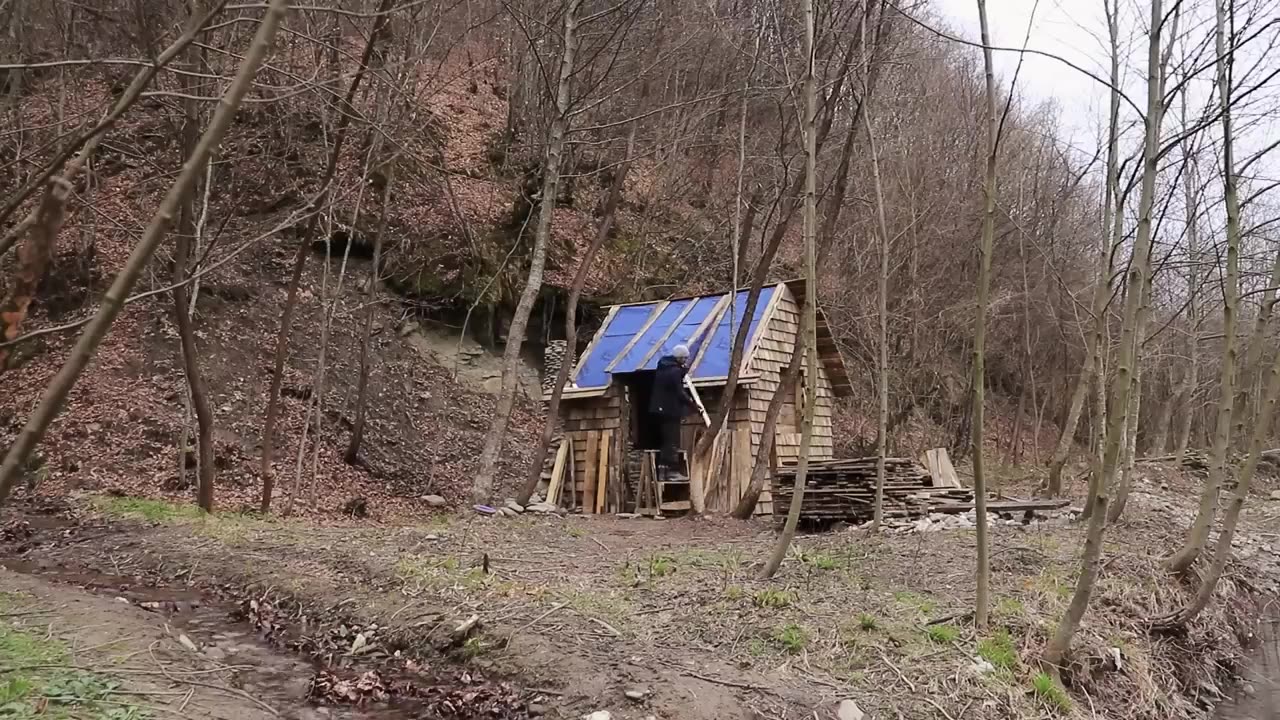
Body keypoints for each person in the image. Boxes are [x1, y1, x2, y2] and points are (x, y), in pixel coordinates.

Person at [649, 344, 696, 481]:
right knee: (672, 441)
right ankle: (672, 473)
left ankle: (662, 472)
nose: (686, 361)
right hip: (670, 410)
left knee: (666, 440)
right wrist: (692, 404)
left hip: (661, 409)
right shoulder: (674, 372)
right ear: (680, 358)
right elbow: (679, 392)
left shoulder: (663, 367)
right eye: (685, 358)